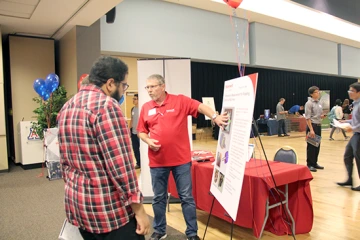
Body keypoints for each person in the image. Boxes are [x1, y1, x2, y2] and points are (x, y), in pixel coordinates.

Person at [57, 56, 150, 240]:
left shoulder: (67, 106)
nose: (124, 90)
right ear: (110, 83)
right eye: (124, 85)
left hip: (78, 206)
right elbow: (121, 167)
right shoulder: (107, 107)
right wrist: (139, 209)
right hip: (109, 213)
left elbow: (64, 162)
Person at [137, 74, 228, 240]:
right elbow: (141, 131)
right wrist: (148, 140)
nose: (149, 90)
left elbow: (200, 106)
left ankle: (192, 233)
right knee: (158, 198)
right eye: (147, 87)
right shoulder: (145, 107)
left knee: (186, 197)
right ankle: (160, 230)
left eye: (152, 86)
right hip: (158, 162)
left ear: (163, 86)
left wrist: (215, 117)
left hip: (181, 161)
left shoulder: (179, 101)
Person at [337, 82, 360, 191]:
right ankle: (349, 179)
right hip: (356, 134)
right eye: (349, 91)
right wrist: (346, 121)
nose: (350, 93)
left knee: (358, 158)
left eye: (352, 91)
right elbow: (356, 120)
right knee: (347, 155)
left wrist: (353, 128)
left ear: (359, 92)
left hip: (358, 135)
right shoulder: (355, 103)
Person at [305, 86, 325, 172]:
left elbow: (317, 115)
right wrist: (311, 129)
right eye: (316, 92)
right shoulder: (309, 103)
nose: (318, 93)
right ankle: (309, 164)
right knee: (311, 146)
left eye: (318, 91)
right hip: (312, 126)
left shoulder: (319, 103)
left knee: (317, 145)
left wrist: (321, 116)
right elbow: (308, 118)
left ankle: (315, 163)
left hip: (318, 125)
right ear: (312, 94)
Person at [130, 94, 141, 169]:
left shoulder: (141, 109)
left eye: (135, 99)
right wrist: (129, 129)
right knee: (135, 149)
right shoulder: (132, 109)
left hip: (140, 133)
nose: (133, 100)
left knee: (142, 149)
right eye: (133, 99)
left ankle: (143, 164)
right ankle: (138, 163)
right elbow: (132, 119)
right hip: (133, 133)